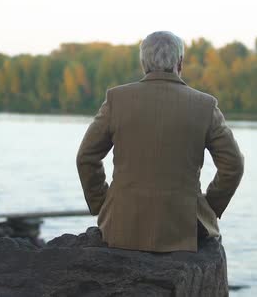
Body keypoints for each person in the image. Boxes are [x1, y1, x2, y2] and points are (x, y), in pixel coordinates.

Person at [76, 31, 244, 252]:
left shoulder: (117, 100)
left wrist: (102, 202)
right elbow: (233, 164)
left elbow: (86, 157)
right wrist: (209, 207)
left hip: (121, 226)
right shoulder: (204, 105)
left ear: (143, 62)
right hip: (185, 229)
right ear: (180, 63)